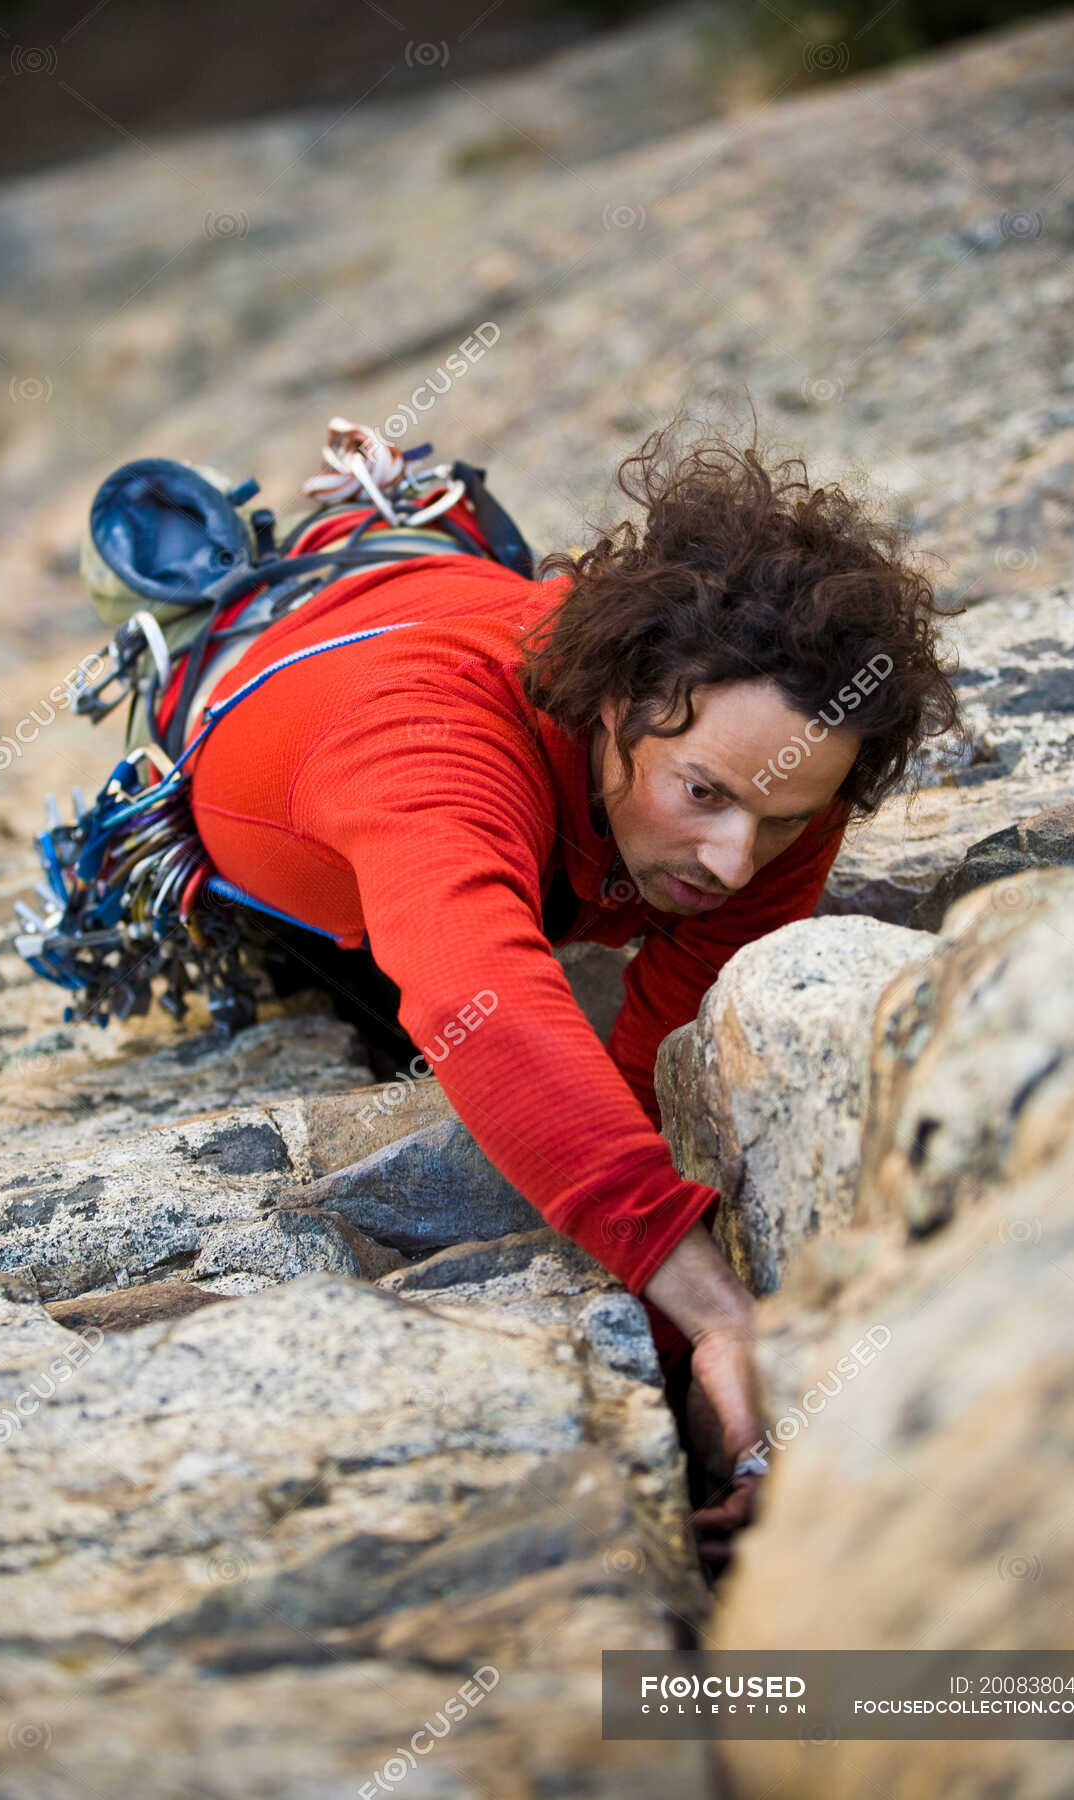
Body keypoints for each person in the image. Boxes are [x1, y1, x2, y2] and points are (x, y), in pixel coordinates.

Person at [180, 416, 962, 1568]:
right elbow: (473, 991)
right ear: (616, 704)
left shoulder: (780, 768)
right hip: (308, 763)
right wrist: (715, 1314)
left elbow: (662, 1059)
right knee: (448, 974)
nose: (738, 861)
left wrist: (714, 1386)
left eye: (783, 819)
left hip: (454, 616)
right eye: (702, 793)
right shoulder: (425, 746)